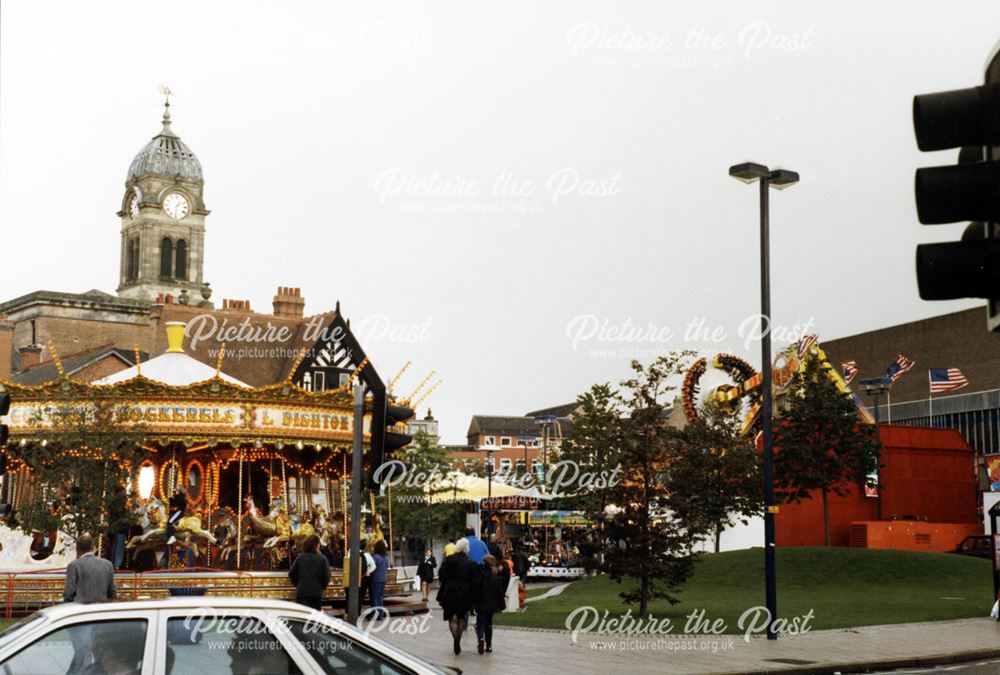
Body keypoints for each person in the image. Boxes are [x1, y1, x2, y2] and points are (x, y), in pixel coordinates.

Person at [64, 534, 118, 673]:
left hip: (80, 617)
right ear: (93, 547)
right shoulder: (107, 565)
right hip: (102, 618)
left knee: (82, 654)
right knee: (99, 654)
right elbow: (113, 593)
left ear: (77, 549)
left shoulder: (74, 565)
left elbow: (69, 593)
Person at [436, 538, 480, 655]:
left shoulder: (449, 560)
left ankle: (455, 639)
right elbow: (474, 580)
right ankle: (458, 640)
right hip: (464, 591)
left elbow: (442, 574)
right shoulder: (470, 562)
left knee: (452, 617)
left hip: (450, 590)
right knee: (461, 617)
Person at [288, 535, 330, 611]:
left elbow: (292, 573)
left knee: (303, 615)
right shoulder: (322, 559)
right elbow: (326, 576)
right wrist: (322, 587)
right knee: (315, 617)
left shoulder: (300, 557)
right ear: (317, 545)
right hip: (316, 593)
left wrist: (298, 584)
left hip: (302, 592)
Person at [474, 555, 506, 654]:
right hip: (491, 603)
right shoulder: (494, 577)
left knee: (480, 623)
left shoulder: (479, 574)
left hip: (480, 602)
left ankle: (480, 639)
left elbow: (475, 588)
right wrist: (502, 604)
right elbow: (499, 592)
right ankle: (489, 645)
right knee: (488, 624)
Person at [370, 540, 390, 619]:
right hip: (383, 579)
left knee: (375, 597)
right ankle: (380, 613)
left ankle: (375, 613)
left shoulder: (376, 557)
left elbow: (373, 567)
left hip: (376, 579)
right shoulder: (386, 558)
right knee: (380, 597)